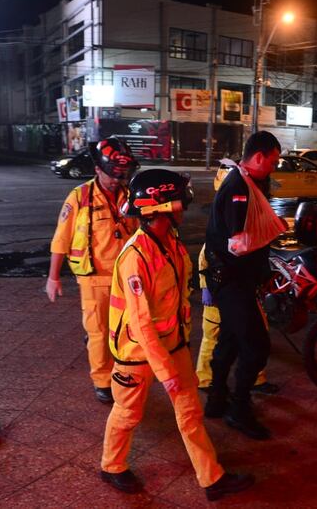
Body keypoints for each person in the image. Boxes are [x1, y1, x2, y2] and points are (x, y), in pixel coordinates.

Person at [100, 169, 254, 501]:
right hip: (136, 354)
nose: (184, 208)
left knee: (190, 413)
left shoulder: (170, 241)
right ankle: (111, 466)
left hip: (172, 345)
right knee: (128, 414)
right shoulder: (134, 257)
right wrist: (166, 373)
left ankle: (212, 479)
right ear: (161, 208)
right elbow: (141, 325)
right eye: (179, 203)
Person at [204, 131, 286, 441]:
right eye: (273, 162)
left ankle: (216, 398)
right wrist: (273, 231)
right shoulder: (239, 186)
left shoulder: (248, 181)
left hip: (233, 278)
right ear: (260, 157)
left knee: (230, 339)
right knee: (256, 345)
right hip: (231, 280)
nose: (274, 168)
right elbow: (238, 244)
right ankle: (238, 409)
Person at [46, 136, 139, 404]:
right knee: (98, 332)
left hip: (124, 276)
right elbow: (60, 239)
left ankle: (123, 371)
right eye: (112, 174)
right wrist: (53, 277)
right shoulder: (79, 197)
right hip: (94, 278)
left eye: (121, 175)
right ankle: (102, 381)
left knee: (124, 329)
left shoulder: (128, 196)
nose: (116, 180)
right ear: (98, 169)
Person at [194, 244, 278, 394]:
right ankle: (206, 380)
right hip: (220, 295)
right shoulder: (219, 236)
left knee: (254, 339)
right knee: (212, 337)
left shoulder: (249, 238)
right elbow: (205, 259)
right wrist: (205, 288)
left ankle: (255, 379)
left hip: (242, 294)